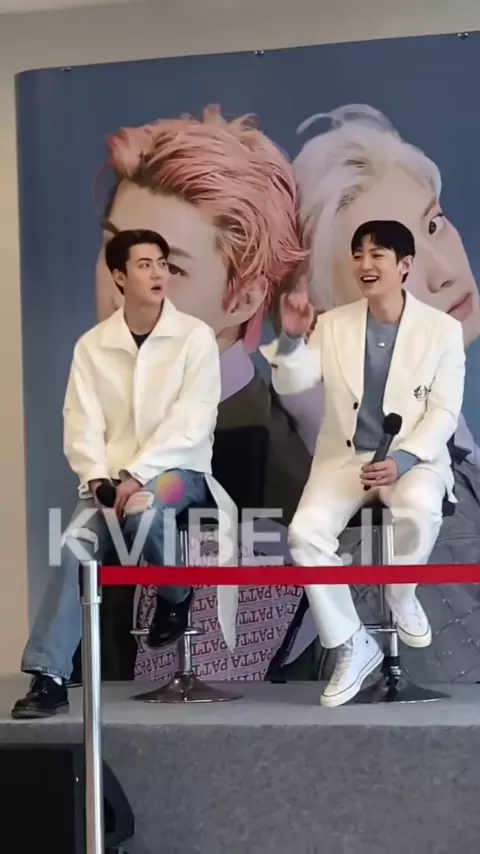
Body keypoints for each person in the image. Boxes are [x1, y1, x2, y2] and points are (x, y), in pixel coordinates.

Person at [95, 107, 310, 681]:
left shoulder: (260, 448)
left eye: (167, 267)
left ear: (245, 298)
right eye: (115, 253)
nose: (125, 290)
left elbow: (233, 678)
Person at [12, 228, 223, 719]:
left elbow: (192, 421)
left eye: (163, 263)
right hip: (108, 483)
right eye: (145, 264)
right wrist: (98, 479)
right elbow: (80, 421)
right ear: (119, 276)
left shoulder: (194, 337)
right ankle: (50, 677)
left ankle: (175, 595)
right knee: (75, 546)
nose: (158, 273)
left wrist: (136, 475)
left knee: (146, 513)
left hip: (177, 472)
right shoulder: (93, 346)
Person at [270, 219, 465, 707]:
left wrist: (404, 459)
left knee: (419, 505)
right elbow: (292, 383)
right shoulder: (334, 324)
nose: (365, 264)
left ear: (405, 265)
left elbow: (444, 411)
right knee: (305, 535)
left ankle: (401, 594)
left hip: (413, 458)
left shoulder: (441, 330)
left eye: (377, 254)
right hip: (346, 459)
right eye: (358, 254)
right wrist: (292, 340)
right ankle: (351, 643)